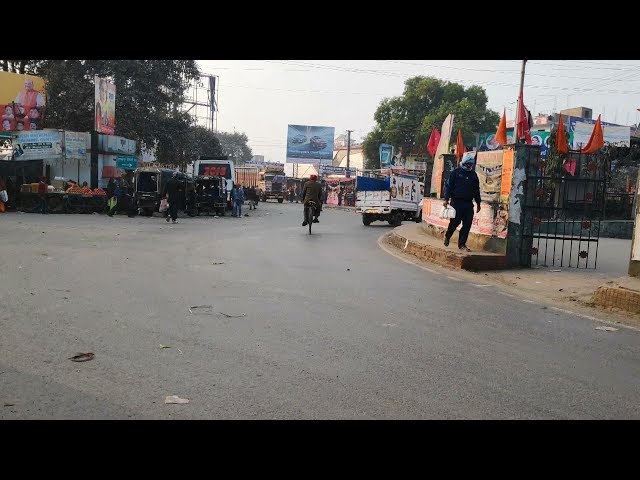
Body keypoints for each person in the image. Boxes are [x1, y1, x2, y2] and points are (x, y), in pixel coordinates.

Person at [442, 155, 481, 252]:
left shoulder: (473, 175)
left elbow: (476, 190)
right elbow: (449, 187)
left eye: (470, 164)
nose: (468, 166)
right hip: (456, 202)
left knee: (467, 224)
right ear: (463, 163)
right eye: (467, 164)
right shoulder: (456, 173)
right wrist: (446, 199)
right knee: (455, 223)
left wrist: (478, 203)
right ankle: (447, 235)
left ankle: (462, 244)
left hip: (468, 204)